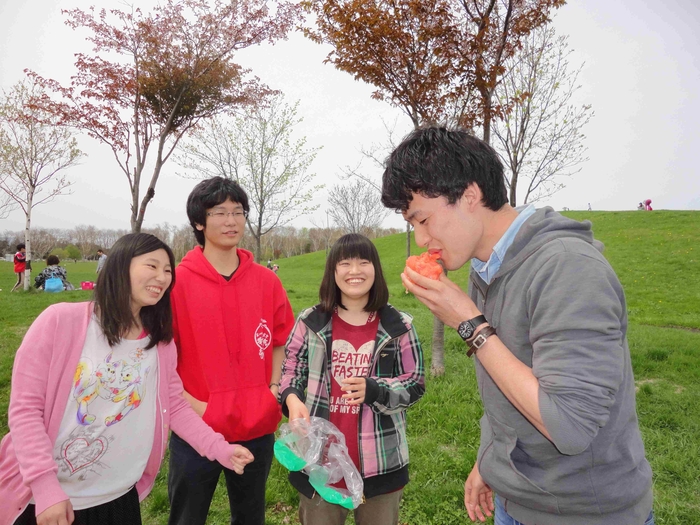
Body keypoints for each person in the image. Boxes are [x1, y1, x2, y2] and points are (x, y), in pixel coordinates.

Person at [381, 127, 653, 525]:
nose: (421, 239)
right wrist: (489, 460)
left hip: (582, 513)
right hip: (515, 500)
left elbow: (571, 427)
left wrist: (469, 324)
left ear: (469, 195)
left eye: (422, 219)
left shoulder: (567, 267)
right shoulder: (485, 270)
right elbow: (506, 383)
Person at [0, 233, 254, 525]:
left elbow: (174, 405)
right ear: (120, 266)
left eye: (168, 270)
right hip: (49, 500)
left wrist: (219, 448)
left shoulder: (159, 342)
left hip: (119, 496)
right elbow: (25, 411)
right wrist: (45, 486)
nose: (163, 277)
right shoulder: (59, 321)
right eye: (152, 266)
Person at [167, 177, 295, 525]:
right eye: (220, 213)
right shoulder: (177, 284)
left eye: (238, 212)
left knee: (251, 515)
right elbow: (162, 359)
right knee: (187, 517)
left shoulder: (267, 281)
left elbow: (280, 340)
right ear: (199, 221)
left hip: (256, 426)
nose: (231, 221)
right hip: (197, 427)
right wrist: (196, 407)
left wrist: (272, 390)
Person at [280, 233, 425, 525]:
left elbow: (415, 384)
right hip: (319, 465)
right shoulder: (311, 321)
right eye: (345, 263)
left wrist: (375, 390)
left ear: (376, 270)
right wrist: (292, 399)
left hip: (381, 465)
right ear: (333, 271)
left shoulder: (399, 326)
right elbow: (292, 366)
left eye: (363, 262)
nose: (354, 271)